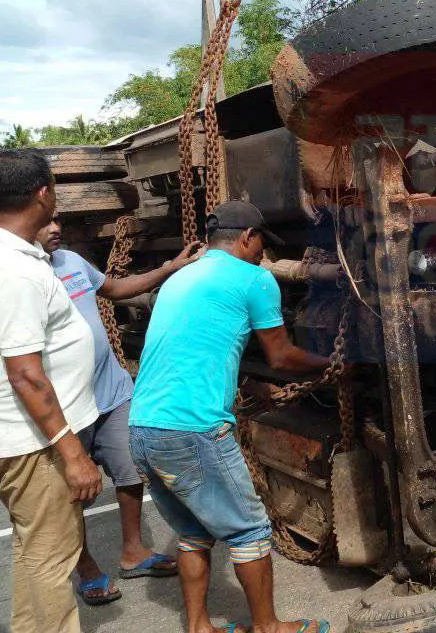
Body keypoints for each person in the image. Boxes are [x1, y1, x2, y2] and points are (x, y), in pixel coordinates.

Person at [128, 201, 332, 633]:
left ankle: (199, 627)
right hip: (192, 430)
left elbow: (196, 342)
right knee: (249, 530)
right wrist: (334, 363)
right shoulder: (255, 279)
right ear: (246, 237)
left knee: (193, 532)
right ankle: (268, 627)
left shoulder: (182, 277)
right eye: (262, 243)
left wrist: (243, 380)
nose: (264, 254)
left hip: (144, 426)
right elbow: (280, 355)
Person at [34, 217, 202, 605]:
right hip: (65, 408)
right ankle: (86, 568)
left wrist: (169, 268)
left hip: (110, 393)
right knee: (69, 493)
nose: (56, 226)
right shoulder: (22, 276)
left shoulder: (71, 261)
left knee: (130, 472)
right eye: (45, 222)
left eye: (58, 218)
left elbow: (114, 288)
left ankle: (133, 551)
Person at [0, 150, 102, 633]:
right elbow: (25, 374)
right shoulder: (15, 271)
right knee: (50, 560)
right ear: (43, 192)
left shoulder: (19, 257)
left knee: (34, 550)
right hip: (34, 442)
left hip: (28, 436)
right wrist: (72, 451)